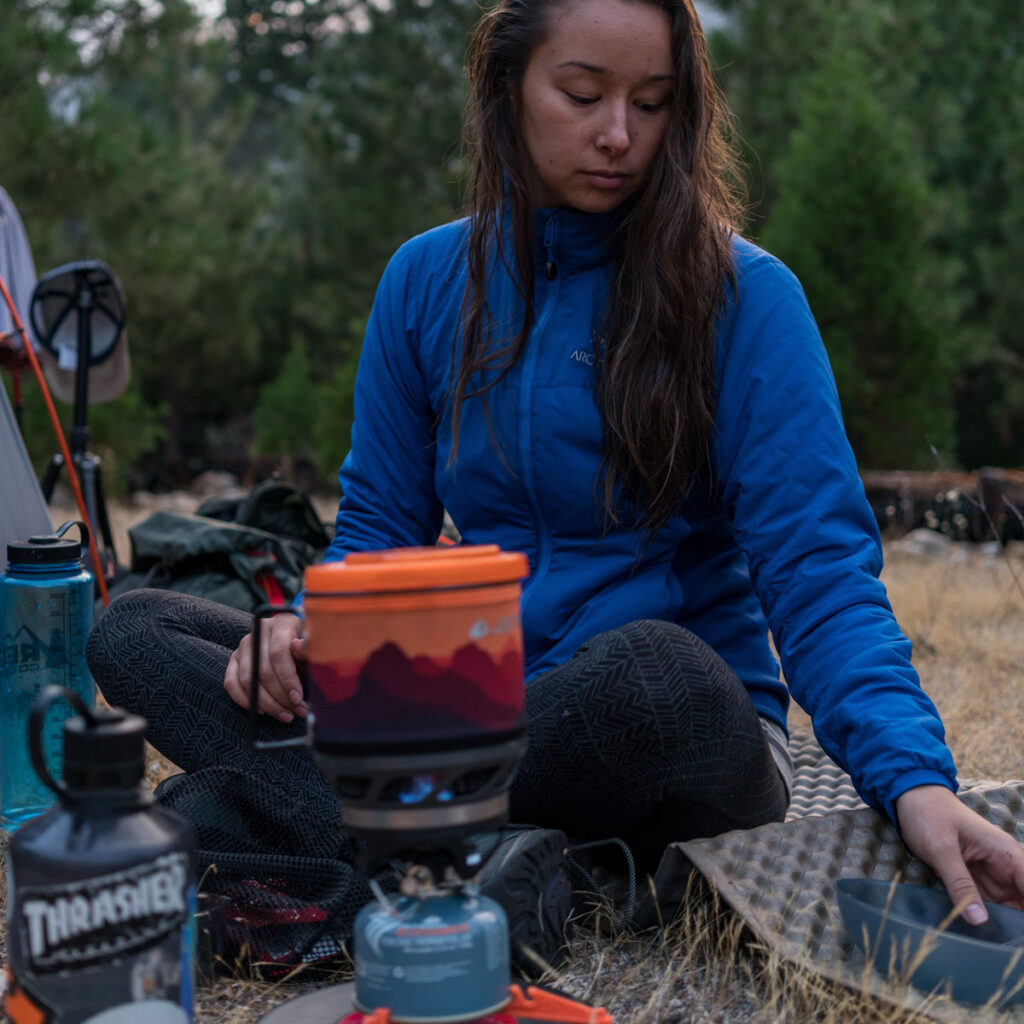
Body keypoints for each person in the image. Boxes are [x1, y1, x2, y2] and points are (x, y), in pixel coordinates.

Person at [88, 0, 1024, 974]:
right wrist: (309, 629)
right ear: (507, 89)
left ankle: (290, 822)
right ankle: (488, 854)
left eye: (651, 103)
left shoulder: (744, 297)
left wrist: (915, 782)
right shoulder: (424, 282)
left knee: (658, 675)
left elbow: (820, 571)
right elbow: (377, 533)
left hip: (669, 732)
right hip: (471, 714)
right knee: (136, 630)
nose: (618, 134)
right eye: (582, 95)